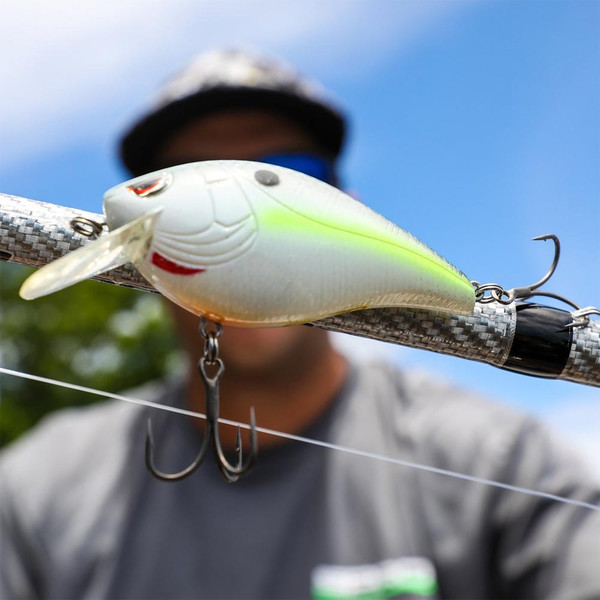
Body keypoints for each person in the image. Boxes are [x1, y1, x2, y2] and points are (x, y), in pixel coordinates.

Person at [1, 48, 599, 600]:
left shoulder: (501, 460)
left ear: (349, 205)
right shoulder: (35, 493)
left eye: (286, 172)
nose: (250, 221)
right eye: (194, 170)